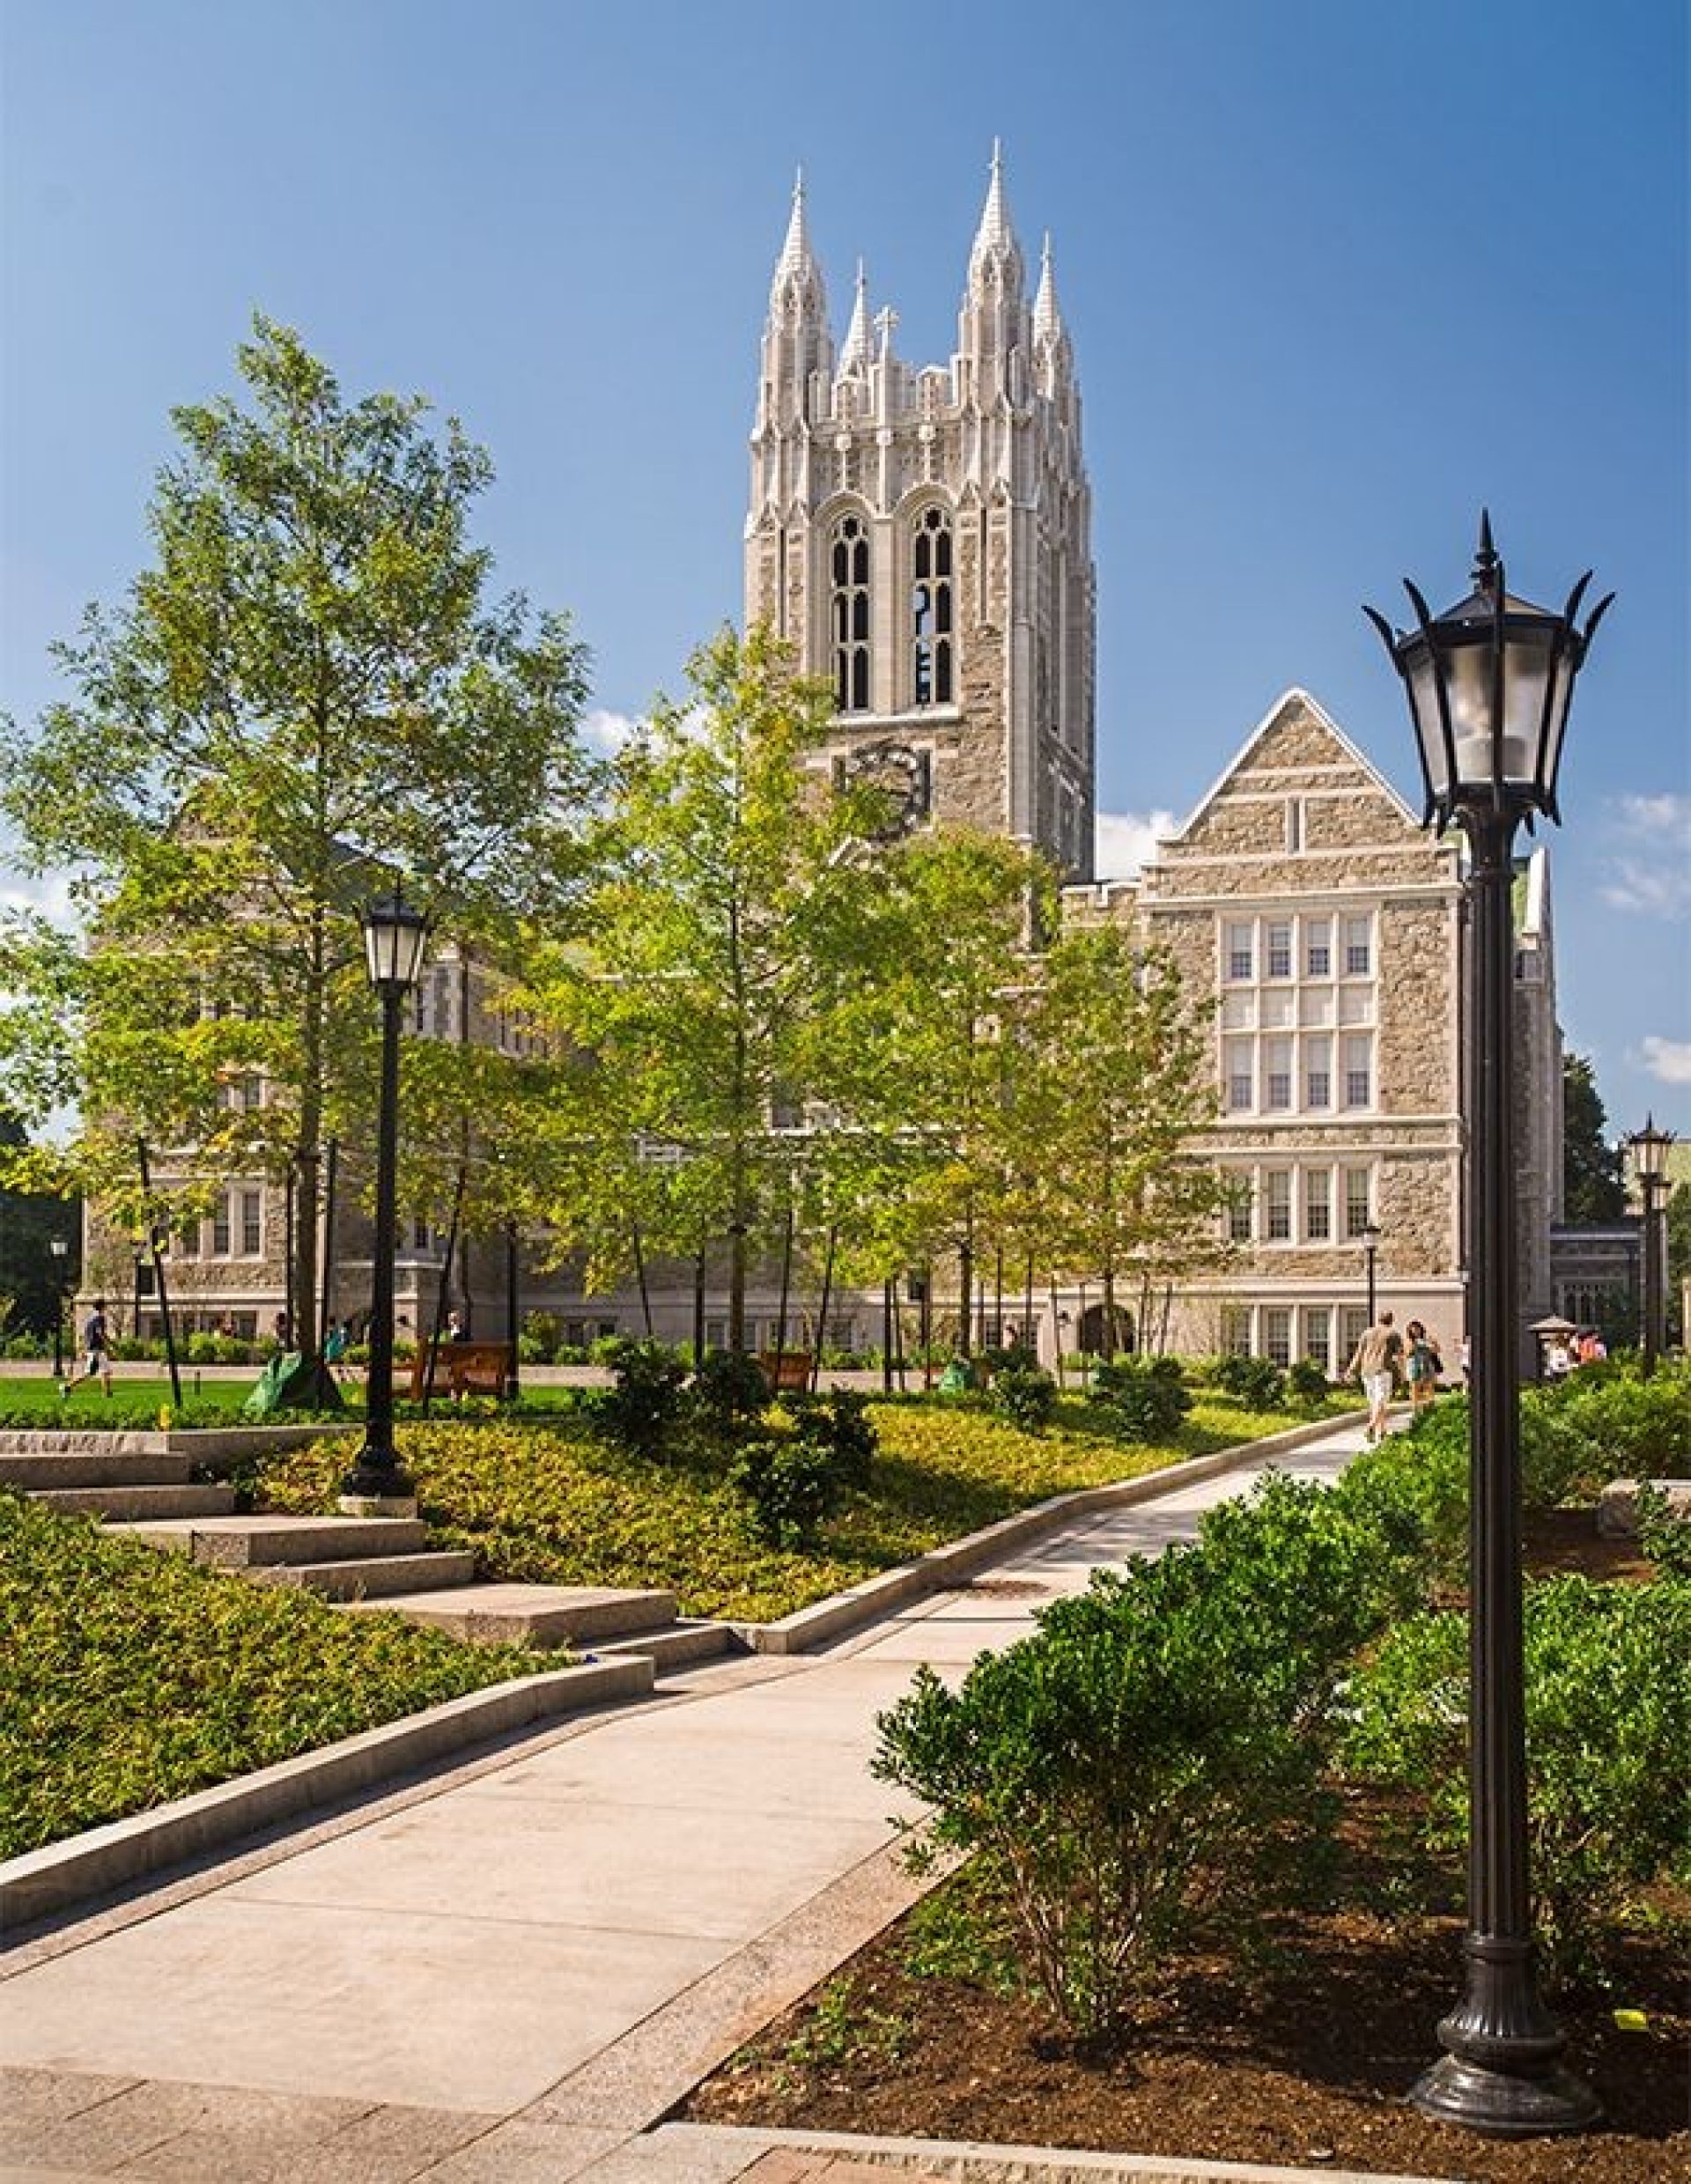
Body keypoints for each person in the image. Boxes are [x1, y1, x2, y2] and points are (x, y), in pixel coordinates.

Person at [1345, 1309, 1403, 1444]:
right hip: (1383, 1370)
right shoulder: (1393, 1334)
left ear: (1379, 1319)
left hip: (1366, 1371)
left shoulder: (1367, 1333)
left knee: (1375, 1403)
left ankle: (1381, 1431)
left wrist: (1350, 1369)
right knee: (1381, 1401)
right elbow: (1400, 1356)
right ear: (1391, 1320)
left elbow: (1358, 1353)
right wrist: (1402, 1372)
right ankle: (1371, 1426)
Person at [66, 1300, 114, 1396]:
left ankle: (107, 1392)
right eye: (105, 1306)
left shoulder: (91, 1319)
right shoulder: (100, 1318)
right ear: (102, 1307)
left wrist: (84, 1348)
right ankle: (67, 1387)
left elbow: (87, 1335)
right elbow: (100, 1332)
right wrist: (109, 1343)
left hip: (95, 1349)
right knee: (91, 1373)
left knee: (104, 1371)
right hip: (96, 1350)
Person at [1404, 1319, 1442, 1413]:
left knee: (1429, 1387)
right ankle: (1415, 1410)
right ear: (1409, 1331)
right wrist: (1415, 1344)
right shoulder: (1408, 1341)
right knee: (1414, 1389)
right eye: (1413, 1329)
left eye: (1417, 1328)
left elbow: (1437, 1350)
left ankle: (1431, 1408)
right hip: (1414, 1366)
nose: (1416, 1331)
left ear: (1421, 1329)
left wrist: (1434, 1343)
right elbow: (1407, 1353)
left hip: (1427, 1365)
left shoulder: (1426, 1340)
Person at [322, 1317, 351, 1382]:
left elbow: (328, 1339)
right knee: (339, 1362)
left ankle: (325, 1377)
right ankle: (342, 1376)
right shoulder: (337, 1329)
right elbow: (339, 1338)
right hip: (336, 1347)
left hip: (331, 1347)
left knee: (328, 1363)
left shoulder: (331, 1330)